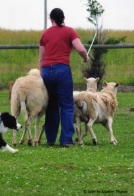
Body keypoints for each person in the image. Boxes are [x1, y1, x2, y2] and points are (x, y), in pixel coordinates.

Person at [39, 8, 89, 148]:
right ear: (64, 17)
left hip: (47, 71)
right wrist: (85, 57)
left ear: (51, 19)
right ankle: (66, 140)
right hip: (62, 70)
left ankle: (50, 139)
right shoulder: (70, 31)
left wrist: (41, 74)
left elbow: (41, 59)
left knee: (52, 106)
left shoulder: (45, 35)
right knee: (66, 105)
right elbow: (80, 49)